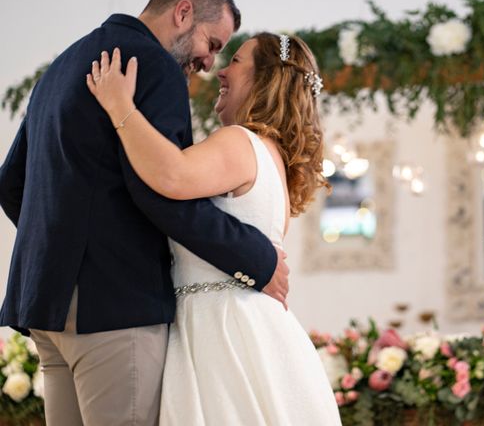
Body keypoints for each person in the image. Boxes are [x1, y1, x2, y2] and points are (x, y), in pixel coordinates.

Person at [0, 0, 289, 426]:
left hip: (46, 305)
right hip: (115, 305)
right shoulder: (151, 66)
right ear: (183, 13)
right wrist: (258, 259)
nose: (210, 63)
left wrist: (66, 249)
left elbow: (11, 184)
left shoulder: (65, 63)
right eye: (212, 43)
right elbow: (162, 189)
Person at [86, 33, 341, 425]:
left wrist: (120, 106)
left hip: (222, 332)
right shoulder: (273, 157)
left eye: (236, 61)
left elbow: (170, 175)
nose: (222, 70)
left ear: (265, 79)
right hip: (253, 329)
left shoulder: (240, 142)